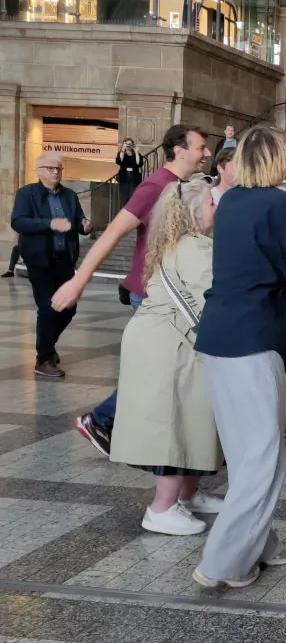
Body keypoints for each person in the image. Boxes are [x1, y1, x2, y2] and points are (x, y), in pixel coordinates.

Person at [192, 126, 286, 589]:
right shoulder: (278, 203)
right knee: (263, 456)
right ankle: (222, 563)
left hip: (217, 334)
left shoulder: (232, 200)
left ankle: (259, 544)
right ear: (281, 158)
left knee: (245, 453)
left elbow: (269, 256)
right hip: (253, 338)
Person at [58, 125, 213, 455]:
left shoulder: (185, 187)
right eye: (201, 147)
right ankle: (100, 420)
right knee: (159, 371)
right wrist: (78, 281)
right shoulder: (155, 186)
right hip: (152, 294)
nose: (207, 153)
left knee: (168, 371)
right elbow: (113, 232)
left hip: (172, 293)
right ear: (179, 150)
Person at [110, 179, 224, 536]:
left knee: (193, 419)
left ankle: (187, 495)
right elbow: (214, 300)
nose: (216, 209)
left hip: (165, 340)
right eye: (211, 204)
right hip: (169, 345)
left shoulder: (180, 242)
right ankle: (161, 509)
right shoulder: (194, 247)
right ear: (193, 213)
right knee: (175, 425)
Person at [11, 152, 91, 379]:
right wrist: (49, 223)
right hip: (40, 260)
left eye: (58, 169)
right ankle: (44, 359)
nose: (55, 172)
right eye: (50, 168)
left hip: (65, 259)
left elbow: (78, 220)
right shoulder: (27, 193)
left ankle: (47, 345)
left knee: (69, 307)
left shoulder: (69, 195)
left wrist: (84, 225)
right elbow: (18, 222)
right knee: (47, 308)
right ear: (39, 172)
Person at [115, 139, 142, 206]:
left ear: (133, 145)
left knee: (133, 196)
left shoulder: (136, 153)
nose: (128, 145)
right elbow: (119, 161)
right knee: (124, 196)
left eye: (130, 144)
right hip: (124, 176)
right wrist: (122, 150)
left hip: (134, 176)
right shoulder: (121, 153)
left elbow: (139, 163)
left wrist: (136, 152)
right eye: (126, 144)